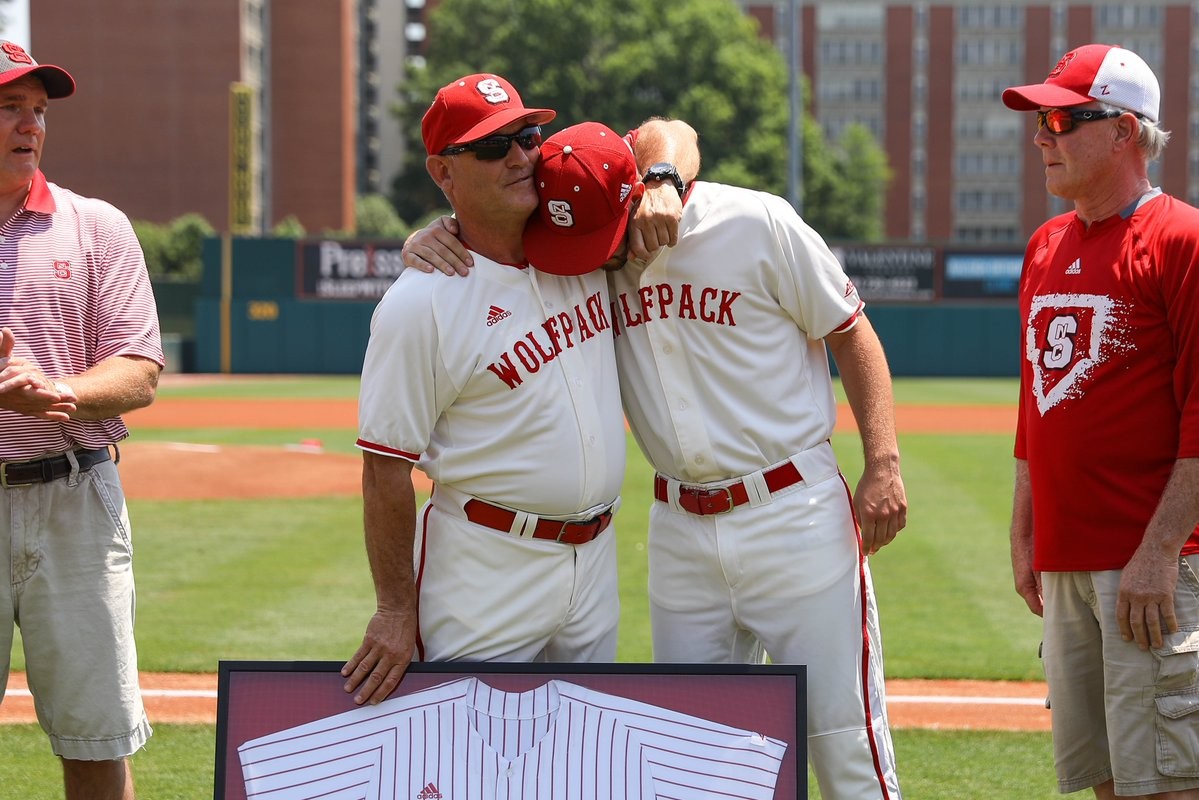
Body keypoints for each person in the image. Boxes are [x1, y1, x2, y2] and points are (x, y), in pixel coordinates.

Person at [405, 119, 909, 800]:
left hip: (794, 510)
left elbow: (850, 331)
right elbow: (495, 216)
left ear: (633, 195)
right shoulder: (580, 253)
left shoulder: (755, 221)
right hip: (679, 531)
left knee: (842, 741)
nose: (595, 255)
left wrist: (883, 462)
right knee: (696, 759)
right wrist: (434, 232)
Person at [341, 75, 687, 708]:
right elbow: (384, 468)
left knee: (582, 750)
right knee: (471, 749)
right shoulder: (420, 305)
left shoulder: (581, 241)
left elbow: (671, 133)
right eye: (493, 147)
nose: (522, 157)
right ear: (443, 172)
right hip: (487, 565)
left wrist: (662, 180)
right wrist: (394, 609)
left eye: (528, 136)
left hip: (595, 563)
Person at [1002, 44, 1199, 800]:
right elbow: (1036, 402)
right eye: (1039, 122)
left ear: (1123, 131)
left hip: (1148, 563)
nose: (1040, 137)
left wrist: (1158, 552)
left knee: (1167, 782)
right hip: (1067, 563)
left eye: (1060, 120)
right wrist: (1025, 530)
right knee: (1106, 780)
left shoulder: (1181, 239)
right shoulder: (1044, 244)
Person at [0, 42, 164, 800]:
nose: (30, 125)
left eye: (37, 110)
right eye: (9, 107)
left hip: (75, 499)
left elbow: (139, 371)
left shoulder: (96, 225)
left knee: (98, 739)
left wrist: (58, 392)